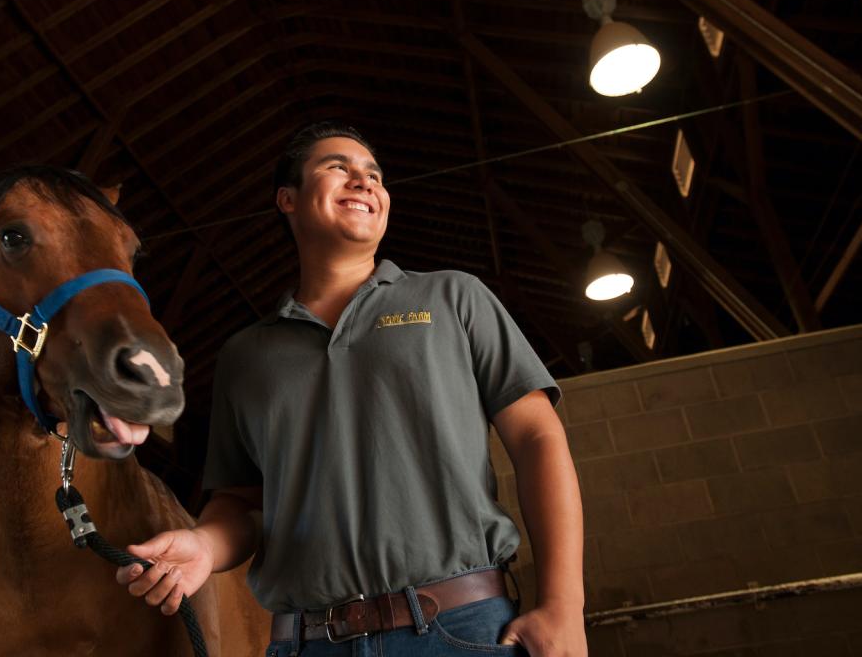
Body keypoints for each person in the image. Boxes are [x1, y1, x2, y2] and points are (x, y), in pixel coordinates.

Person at [117, 122, 588, 656]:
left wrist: (563, 604)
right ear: (286, 199)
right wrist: (203, 543)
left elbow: (537, 439)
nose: (364, 182)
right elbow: (244, 504)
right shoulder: (245, 356)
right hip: (304, 642)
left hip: (461, 629)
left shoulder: (455, 298)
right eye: (338, 167)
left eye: (374, 175)